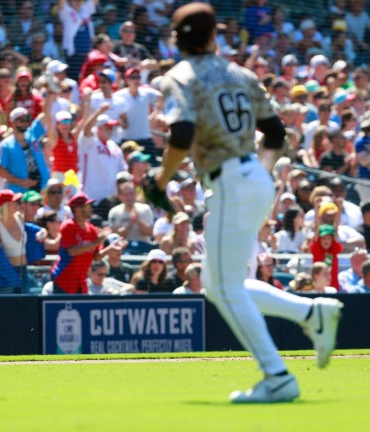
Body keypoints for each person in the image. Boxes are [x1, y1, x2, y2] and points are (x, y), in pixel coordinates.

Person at [150, 3, 342, 403]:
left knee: (222, 289)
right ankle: (311, 314)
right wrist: (258, 171)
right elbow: (274, 133)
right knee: (224, 286)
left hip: (229, 182)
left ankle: (277, 376)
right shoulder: (241, 72)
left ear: (179, 38)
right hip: (255, 177)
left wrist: (161, 178)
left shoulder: (179, 76)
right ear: (213, 36)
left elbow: (182, 133)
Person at [0, 189, 47, 294]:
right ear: (5, 205)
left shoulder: (20, 218)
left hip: (23, 271)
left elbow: (40, 231)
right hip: (7, 275)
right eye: (13, 202)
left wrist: (43, 232)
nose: (17, 204)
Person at [51, 192, 115, 294]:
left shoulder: (91, 229)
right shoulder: (68, 226)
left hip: (81, 282)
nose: (91, 208)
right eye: (87, 206)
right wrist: (94, 243)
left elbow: (96, 257)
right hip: (64, 281)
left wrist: (110, 249)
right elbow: (71, 251)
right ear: (77, 210)